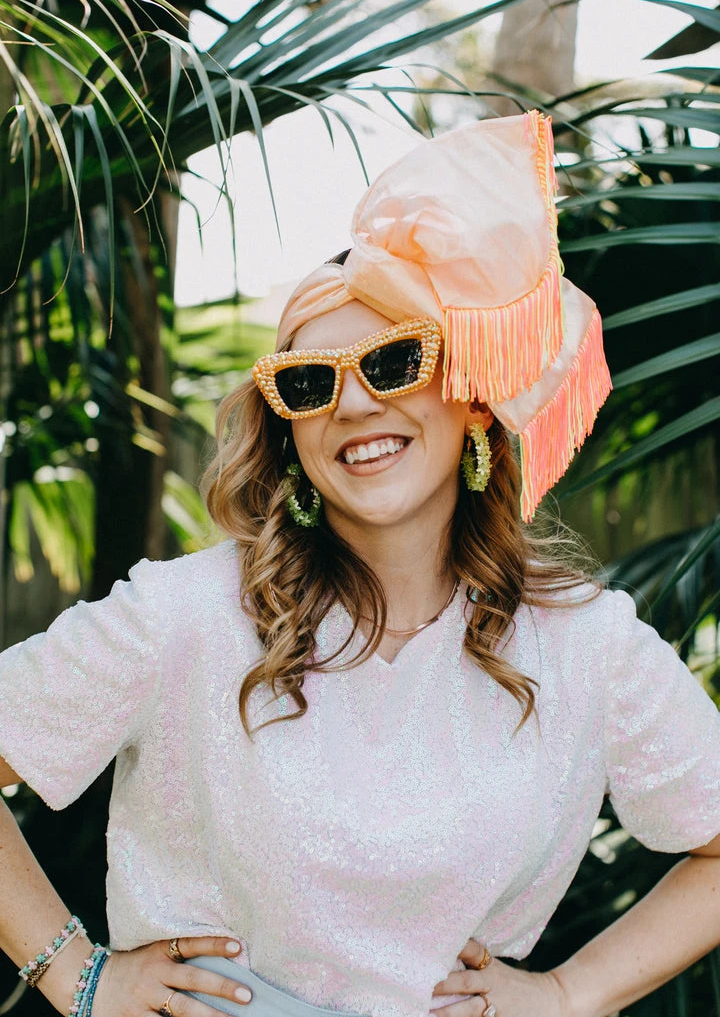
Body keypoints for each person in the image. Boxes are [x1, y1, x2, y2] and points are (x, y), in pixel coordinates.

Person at [1, 111, 720, 1017]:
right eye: (308, 383)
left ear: (471, 398)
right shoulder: (184, 615)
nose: (352, 404)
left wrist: (574, 993)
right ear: (289, 432)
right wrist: (76, 974)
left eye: (393, 361)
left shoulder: (587, 643)